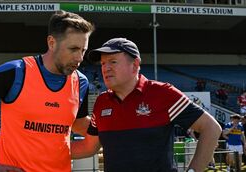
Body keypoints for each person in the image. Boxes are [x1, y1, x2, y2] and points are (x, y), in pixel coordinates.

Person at [0, 10, 94, 172]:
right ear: (52, 43)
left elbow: (77, 123)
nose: (80, 58)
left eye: (83, 50)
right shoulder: (14, 72)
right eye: (73, 49)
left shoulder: (81, 82)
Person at [71, 38, 222, 172]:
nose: (106, 68)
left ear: (135, 65)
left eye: (113, 61)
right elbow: (88, 147)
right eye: (103, 63)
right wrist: (48, 150)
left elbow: (211, 128)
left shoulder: (163, 93)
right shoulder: (102, 102)